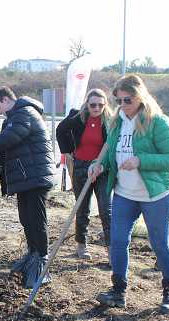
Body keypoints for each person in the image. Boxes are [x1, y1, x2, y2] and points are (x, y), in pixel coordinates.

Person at [89, 74, 169, 315]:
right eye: (118, 100)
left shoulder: (157, 122)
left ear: (139, 96)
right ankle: (118, 292)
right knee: (118, 241)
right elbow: (109, 145)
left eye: (127, 99)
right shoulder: (118, 120)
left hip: (156, 194)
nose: (122, 104)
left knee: (160, 244)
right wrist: (98, 164)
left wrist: (140, 160)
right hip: (124, 193)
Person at [0, 86, 54, 288]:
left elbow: (8, 139)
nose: (0, 111)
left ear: (6, 100)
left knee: (36, 218)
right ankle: (33, 254)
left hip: (36, 176)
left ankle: (42, 260)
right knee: (26, 218)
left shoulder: (25, 113)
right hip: (26, 177)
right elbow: (8, 149)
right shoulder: (14, 118)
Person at [56, 89, 113, 260]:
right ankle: (81, 245)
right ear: (87, 104)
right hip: (80, 167)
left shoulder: (110, 120)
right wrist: (67, 152)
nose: (97, 108)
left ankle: (111, 251)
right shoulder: (77, 117)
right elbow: (60, 130)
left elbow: (112, 143)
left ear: (105, 105)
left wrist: (102, 164)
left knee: (106, 210)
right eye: (93, 104)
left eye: (100, 105)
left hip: (102, 169)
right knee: (82, 208)